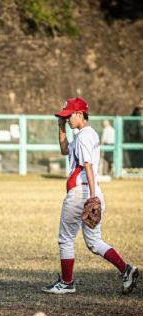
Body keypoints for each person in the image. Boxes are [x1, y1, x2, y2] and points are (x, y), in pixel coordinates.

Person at [42, 97, 139, 295]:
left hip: (81, 192)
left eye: (68, 115)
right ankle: (126, 269)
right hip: (89, 191)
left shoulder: (84, 136)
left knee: (65, 239)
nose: (67, 118)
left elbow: (88, 166)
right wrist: (61, 127)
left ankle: (67, 283)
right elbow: (64, 150)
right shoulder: (86, 134)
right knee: (94, 242)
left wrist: (92, 198)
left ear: (79, 114)